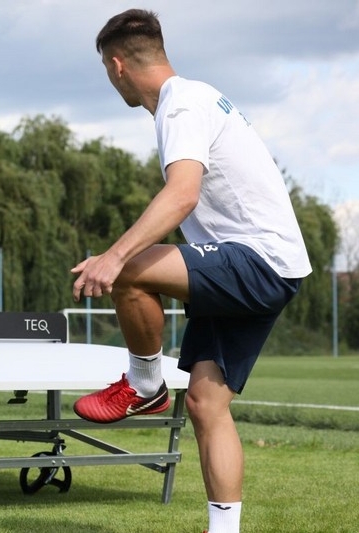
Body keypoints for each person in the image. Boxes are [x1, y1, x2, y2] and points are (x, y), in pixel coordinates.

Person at [70, 9, 311, 533]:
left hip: (257, 259)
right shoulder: (196, 98)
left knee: (129, 269)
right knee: (205, 403)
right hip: (274, 265)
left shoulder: (179, 104)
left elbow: (182, 195)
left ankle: (144, 385)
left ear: (117, 66)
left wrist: (114, 257)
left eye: (107, 71)